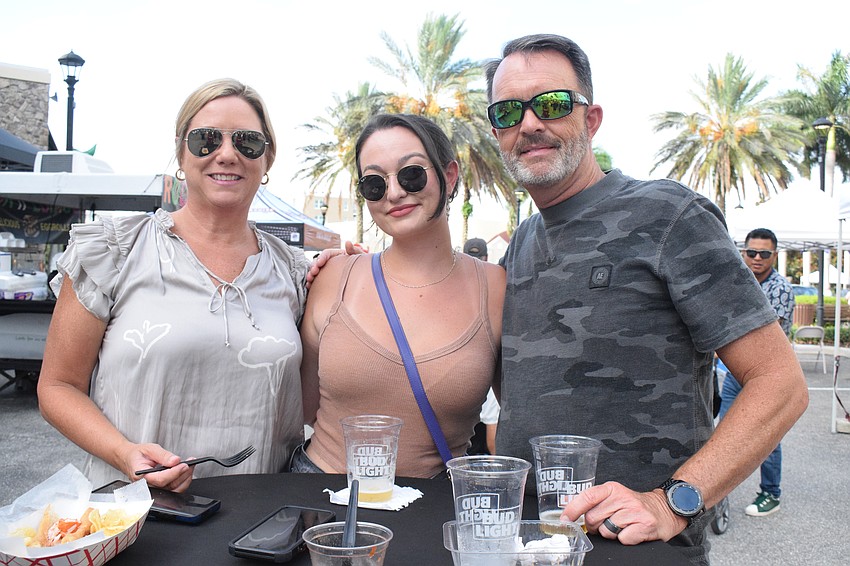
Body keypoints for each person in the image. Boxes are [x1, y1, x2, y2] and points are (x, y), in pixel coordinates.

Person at [484, 34, 807, 565]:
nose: (530, 123)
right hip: (536, 544)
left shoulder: (668, 216)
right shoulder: (520, 243)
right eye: (507, 111)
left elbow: (781, 384)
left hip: (637, 548)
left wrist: (675, 500)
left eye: (552, 103)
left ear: (591, 120)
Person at [37, 78, 308, 492]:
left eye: (248, 142)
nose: (227, 154)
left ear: (267, 159)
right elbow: (57, 386)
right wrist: (125, 453)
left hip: (259, 524)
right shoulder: (115, 251)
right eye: (206, 140)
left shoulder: (292, 271)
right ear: (181, 152)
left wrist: (352, 271)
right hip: (135, 518)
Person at [295, 114, 504, 478]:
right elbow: (299, 408)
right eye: (374, 184)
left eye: (411, 174)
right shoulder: (332, 279)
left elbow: (520, 417)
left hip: (431, 514)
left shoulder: (496, 288)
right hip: (322, 501)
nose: (393, 193)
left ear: (449, 176)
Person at [717, 228, 794, 517]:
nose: (757, 258)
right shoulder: (737, 282)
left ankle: (770, 493)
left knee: (766, 437)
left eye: (764, 253)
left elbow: (753, 334)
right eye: (751, 252)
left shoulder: (780, 289)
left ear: (774, 255)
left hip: (766, 376)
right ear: (743, 252)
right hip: (734, 375)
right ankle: (718, 493)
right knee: (726, 435)